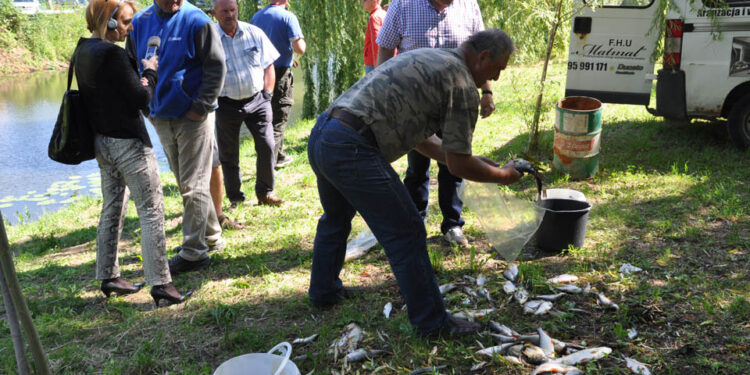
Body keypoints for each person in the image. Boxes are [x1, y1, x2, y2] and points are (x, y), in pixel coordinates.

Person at [308, 29, 521, 337]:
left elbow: (423, 140)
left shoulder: (430, 57)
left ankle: (324, 292)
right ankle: (433, 324)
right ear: (483, 57)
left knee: (336, 218)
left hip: (325, 134)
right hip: (352, 148)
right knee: (407, 232)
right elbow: (460, 164)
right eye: (497, 69)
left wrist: (478, 162)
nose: (496, 79)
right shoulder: (461, 82)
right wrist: (504, 176)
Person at [76, 0, 190, 307]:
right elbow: (142, 98)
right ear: (109, 22)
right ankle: (162, 284)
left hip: (102, 142)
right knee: (152, 210)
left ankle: (109, 276)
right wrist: (150, 72)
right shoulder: (113, 53)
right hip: (129, 144)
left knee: (111, 208)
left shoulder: (83, 50)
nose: (131, 28)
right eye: (125, 22)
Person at [376, 0, 493, 247]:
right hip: (414, 105)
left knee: (455, 162)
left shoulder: (468, 5)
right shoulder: (402, 5)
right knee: (417, 168)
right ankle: (415, 223)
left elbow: (484, 53)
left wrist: (487, 92)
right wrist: (386, 89)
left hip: (455, 102)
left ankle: (452, 224)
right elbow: (385, 48)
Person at [127, 0, 226, 275]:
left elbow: (216, 67)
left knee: (193, 184)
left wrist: (200, 107)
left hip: (193, 116)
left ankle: (194, 253)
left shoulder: (196, 20)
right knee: (186, 181)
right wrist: (145, 106)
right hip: (160, 114)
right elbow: (132, 65)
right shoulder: (140, 22)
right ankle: (212, 236)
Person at [214, 0, 283, 208]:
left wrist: (268, 94)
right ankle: (235, 197)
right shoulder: (210, 40)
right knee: (228, 153)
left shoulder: (254, 32)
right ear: (215, 13)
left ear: (238, 10)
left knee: (267, 146)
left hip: (258, 100)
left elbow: (269, 65)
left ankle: (265, 193)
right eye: (224, 11)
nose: (229, 15)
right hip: (226, 104)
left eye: (233, 10)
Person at [251, 0, 306, 169]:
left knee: (267, 115)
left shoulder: (256, 17)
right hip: (280, 73)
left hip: (261, 74)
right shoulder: (288, 17)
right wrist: (300, 41)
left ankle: (279, 155)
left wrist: (290, 58)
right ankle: (270, 165)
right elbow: (300, 48)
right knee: (279, 117)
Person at [361, 0, 387, 74]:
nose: (362, 2)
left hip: (373, 64)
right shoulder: (384, 14)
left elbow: (377, 44)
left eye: (364, 0)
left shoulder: (374, 18)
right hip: (385, 62)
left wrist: (378, 69)